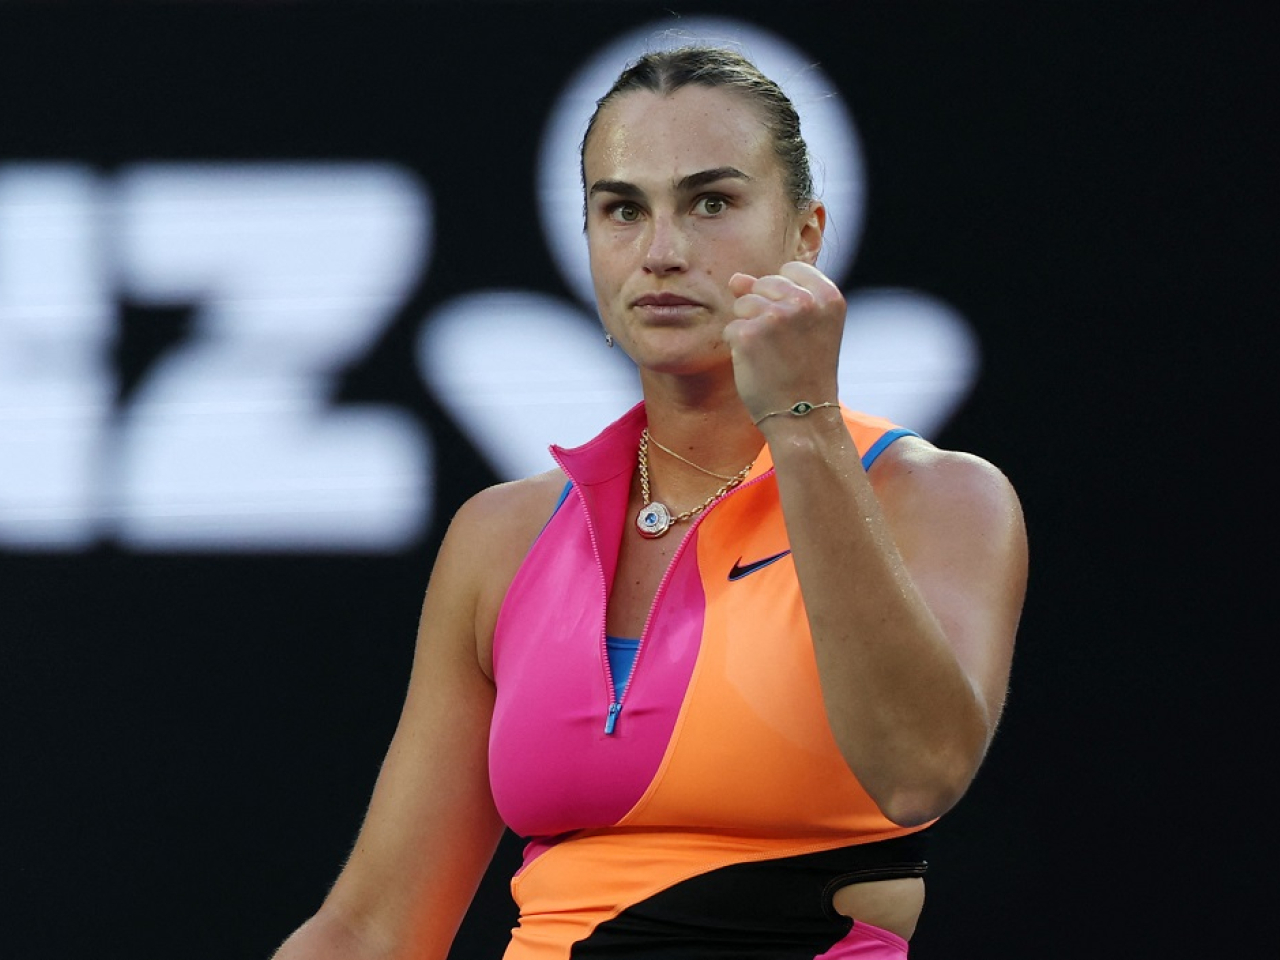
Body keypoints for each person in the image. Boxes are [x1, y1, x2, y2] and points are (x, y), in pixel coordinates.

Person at [271, 45, 1028, 960]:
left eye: (712, 203)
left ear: (807, 235)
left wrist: (800, 418)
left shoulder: (937, 497)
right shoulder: (500, 537)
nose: (662, 253)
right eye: (622, 209)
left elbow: (917, 773)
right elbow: (374, 929)